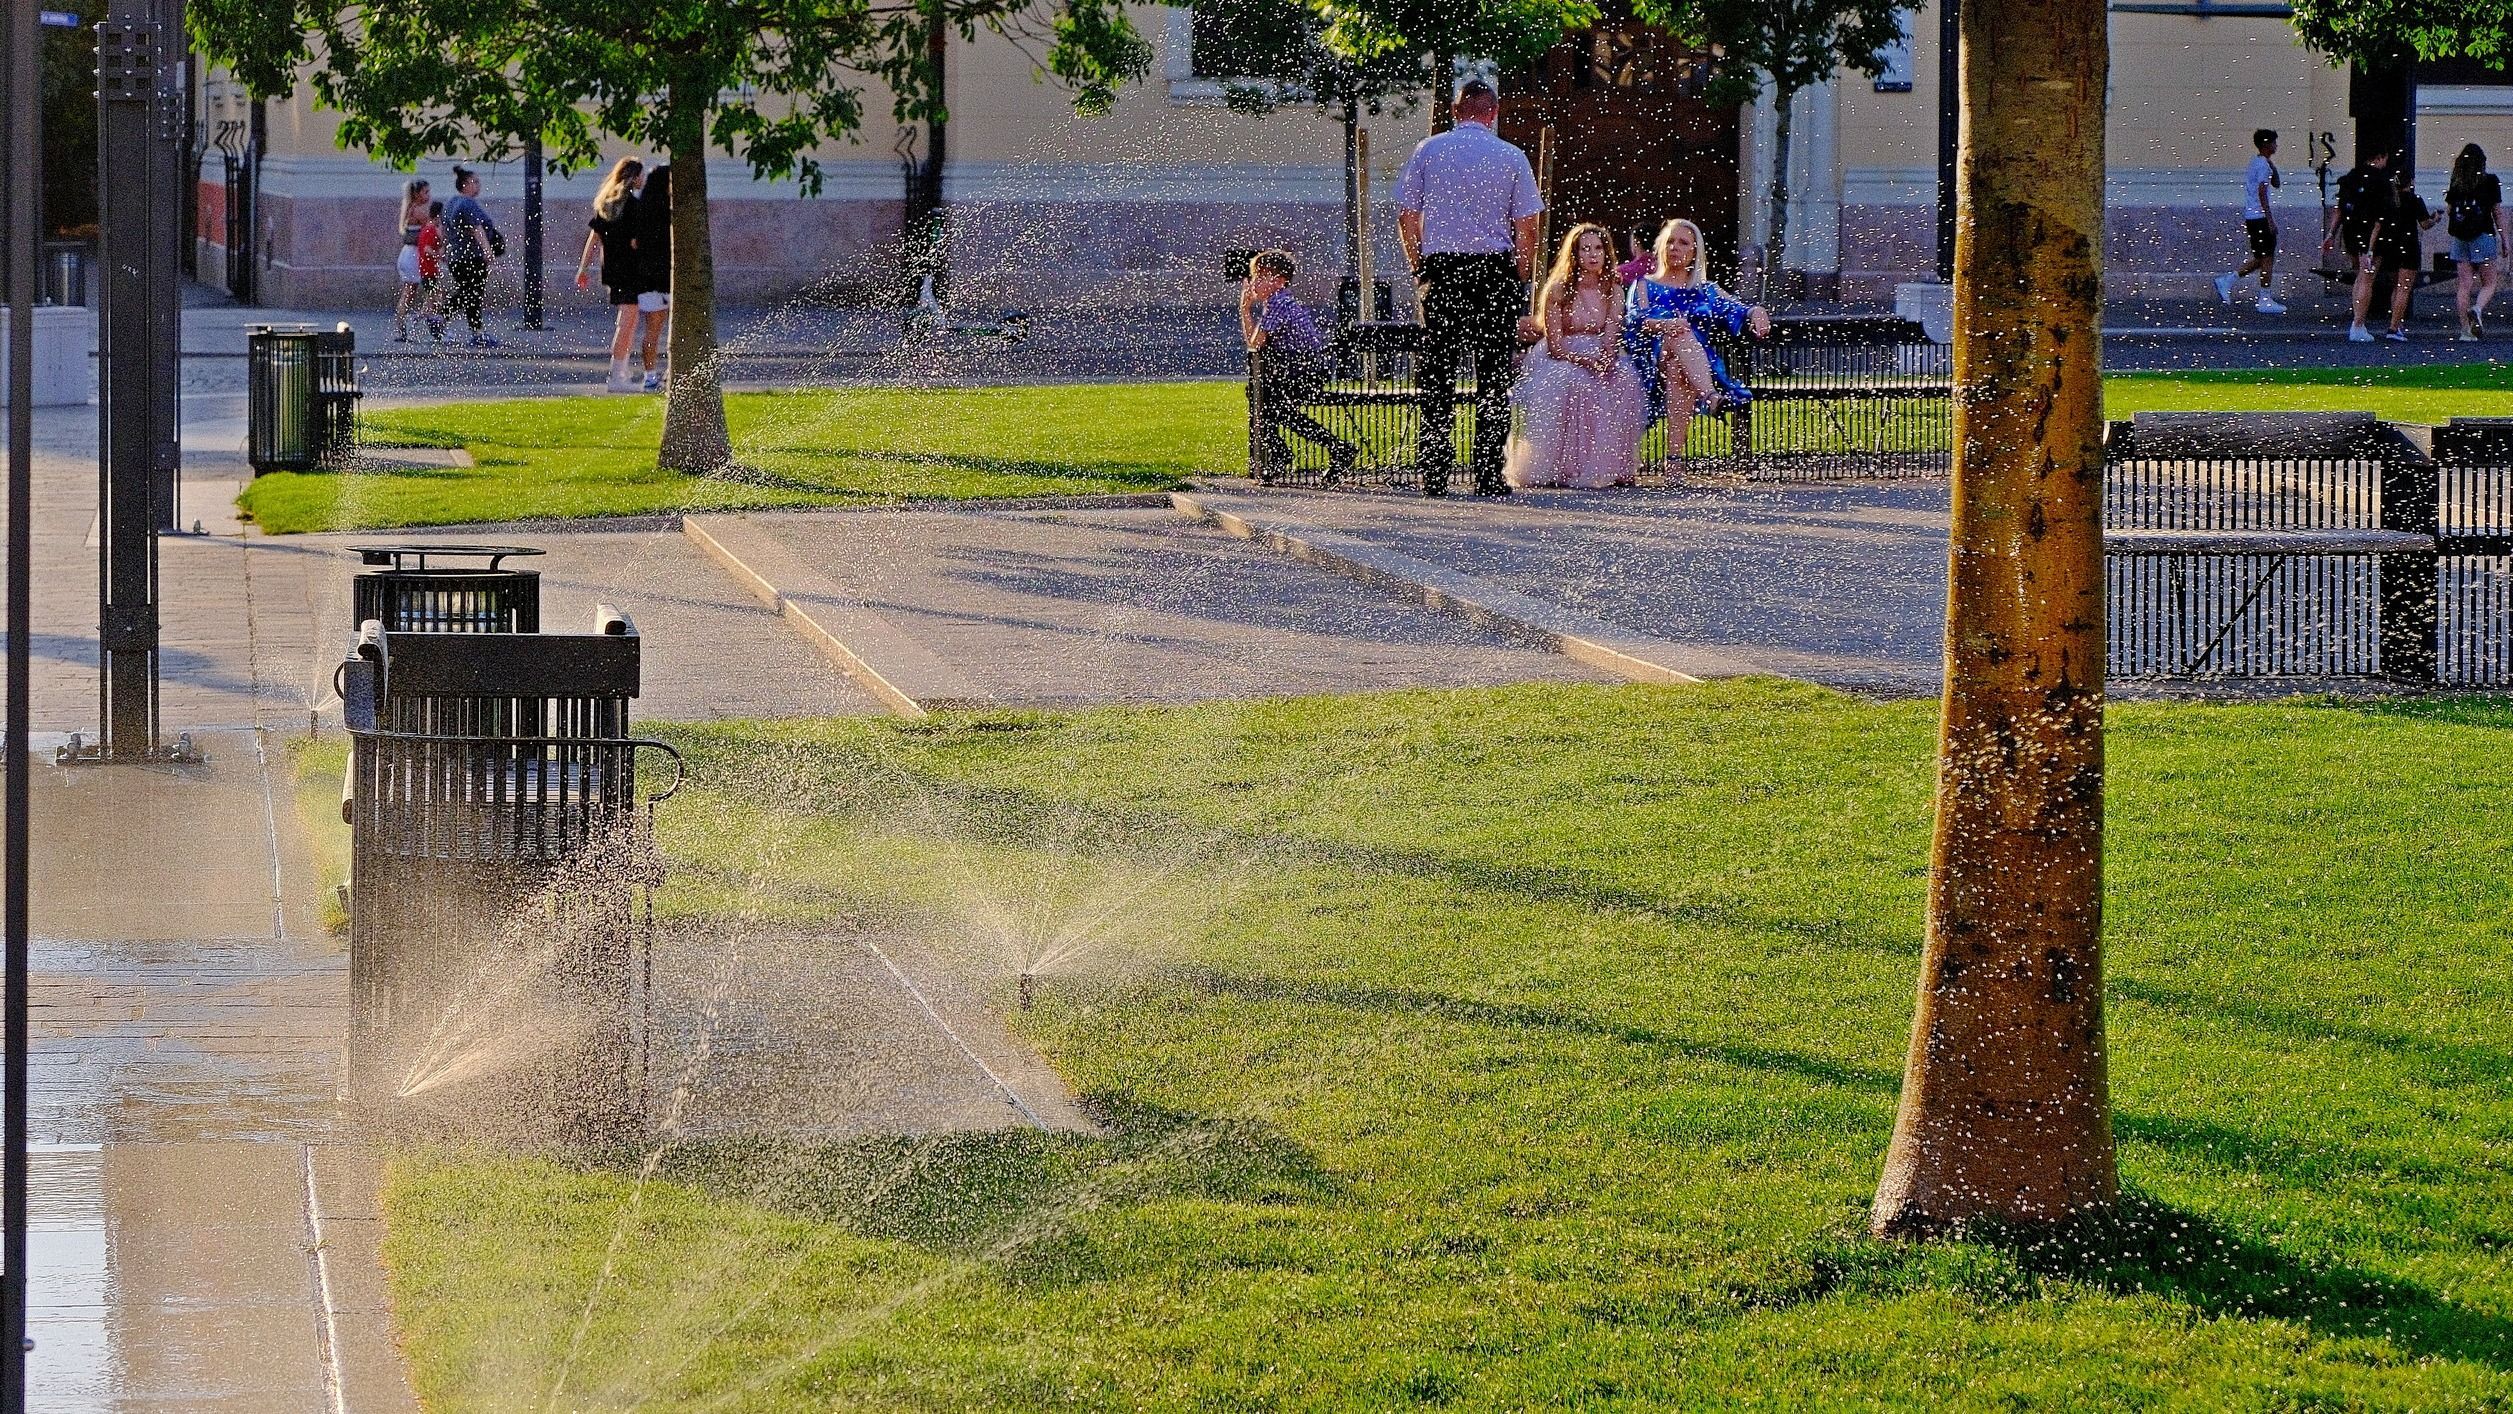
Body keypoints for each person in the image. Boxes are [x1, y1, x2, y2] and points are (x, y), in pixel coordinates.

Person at [1395, 79, 1544, 497]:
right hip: (1494, 272)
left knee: (1437, 375)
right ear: (1494, 112)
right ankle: (1488, 474)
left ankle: (1436, 473)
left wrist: (1418, 264)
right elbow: (1527, 225)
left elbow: (1407, 215)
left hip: (1442, 271)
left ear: (1455, 110)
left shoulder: (1429, 150)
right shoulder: (1511, 156)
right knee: (1494, 377)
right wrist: (1521, 272)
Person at [1504, 223, 1647, 489]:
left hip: (1599, 351)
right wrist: (1585, 361)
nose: (1593, 255)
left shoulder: (1613, 290)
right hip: (1563, 357)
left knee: (1625, 379)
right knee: (1576, 382)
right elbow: (1555, 345)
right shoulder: (1559, 290)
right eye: (1585, 249)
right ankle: (1569, 466)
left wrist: (1607, 357)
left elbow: (1613, 332)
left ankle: (1616, 466)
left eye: (1598, 248)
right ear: (1574, 254)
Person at [1623, 218, 1772, 458]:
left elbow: (1737, 309)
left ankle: (1674, 462)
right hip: (1650, 362)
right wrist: (1666, 325)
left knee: (1677, 369)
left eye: (1683, 243)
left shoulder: (1706, 289)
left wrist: (1757, 311)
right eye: (1670, 241)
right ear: (1660, 246)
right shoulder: (1644, 285)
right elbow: (1634, 321)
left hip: (1693, 367)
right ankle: (1711, 398)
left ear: (1694, 252)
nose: (1675, 248)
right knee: (1679, 334)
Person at [1239, 250, 1357, 482]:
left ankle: (1287, 453)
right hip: (1299, 371)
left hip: (1305, 373)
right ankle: (1327, 448)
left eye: (1263, 276)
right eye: (1255, 277)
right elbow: (1257, 348)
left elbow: (1255, 343)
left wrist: (1244, 310)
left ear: (1281, 281)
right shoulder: (1277, 303)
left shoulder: (1279, 304)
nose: (1255, 283)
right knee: (1261, 397)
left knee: (1264, 401)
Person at [574, 157, 646, 391]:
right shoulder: (633, 207)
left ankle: (621, 372)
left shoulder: (606, 205)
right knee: (627, 323)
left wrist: (583, 268)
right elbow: (637, 243)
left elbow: (594, 240)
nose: (642, 179)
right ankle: (617, 376)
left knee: (627, 322)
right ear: (634, 177)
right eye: (640, 175)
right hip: (631, 270)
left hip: (613, 270)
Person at [2215, 129, 2287, 314]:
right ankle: (2264, 298)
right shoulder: (2261, 165)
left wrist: (2272, 165)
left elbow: (2276, 183)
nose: (2276, 145)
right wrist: (2270, 219)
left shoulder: (2260, 163)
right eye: (2273, 142)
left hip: (2253, 217)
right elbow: (2263, 192)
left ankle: (2228, 280)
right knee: (2267, 258)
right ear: (2266, 144)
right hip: (2260, 217)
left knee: (2262, 258)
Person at [2329, 148, 2397, 343]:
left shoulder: (2351, 177)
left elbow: (2340, 208)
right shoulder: (2381, 181)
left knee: (2360, 276)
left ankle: (2357, 322)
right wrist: (2370, 249)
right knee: (2367, 278)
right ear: (2380, 156)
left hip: (2351, 231)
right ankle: (2358, 324)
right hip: (2371, 234)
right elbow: (2379, 218)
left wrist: (2331, 234)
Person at [2372, 164, 2440, 342]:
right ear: (2411, 182)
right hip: (2408, 246)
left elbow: (2378, 226)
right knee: (2404, 289)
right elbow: (2424, 224)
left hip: (2390, 246)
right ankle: (2393, 328)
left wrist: (2371, 249)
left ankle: (2397, 324)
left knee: (2396, 287)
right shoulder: (2415, 199)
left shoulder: (2388, 201)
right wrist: (2435, 219)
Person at [440, 165, 505, 349]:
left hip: (456, 257)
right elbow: (477, 229)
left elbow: (445, 230)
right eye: (475, 182)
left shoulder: (450, 202)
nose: (478, 185)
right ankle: (445, 318)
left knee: (468, 292)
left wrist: (445, 250)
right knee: (472, 294)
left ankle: (474, 331)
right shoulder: (467, 203)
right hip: (471, 257)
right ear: (465, 184)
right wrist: (488, 251)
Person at [2445, 143, 2505, 341]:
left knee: (2464, 286)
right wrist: (2505, 239)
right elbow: (2497, 212)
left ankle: (2465, 331)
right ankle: (2477, 309)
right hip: (2483, 236)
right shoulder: (2490, 182)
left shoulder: (2457, 183)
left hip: (2460, 239)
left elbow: (2449, 211)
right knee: (2489, 283)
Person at [629, 165, 672, 391]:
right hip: (668, 276)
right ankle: (671, 372)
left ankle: (650, 376)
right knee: (675, 327)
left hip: (646, 276)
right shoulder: (669, 213)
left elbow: (635, 244)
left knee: (652, 329)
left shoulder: (641, 209)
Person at [392, 178, 432, 341]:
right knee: (411, 291)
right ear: (416, 194)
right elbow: (431, 227)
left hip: (409, 254)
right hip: (413, 255)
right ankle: (410, 322)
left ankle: (403, 326)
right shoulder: (418, 212)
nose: (428, 195)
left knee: (410, 291)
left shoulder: (411, 209)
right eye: (425, 192)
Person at [414, 200, 447, 342]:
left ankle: (418, 320)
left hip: (429, 270)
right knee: (436, 300)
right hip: (429, 271)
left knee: (431, 300)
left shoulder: (430, 229)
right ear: (438, 215)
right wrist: (440, 256)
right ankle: (433, 327)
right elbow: (427, 249)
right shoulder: (430, 230)